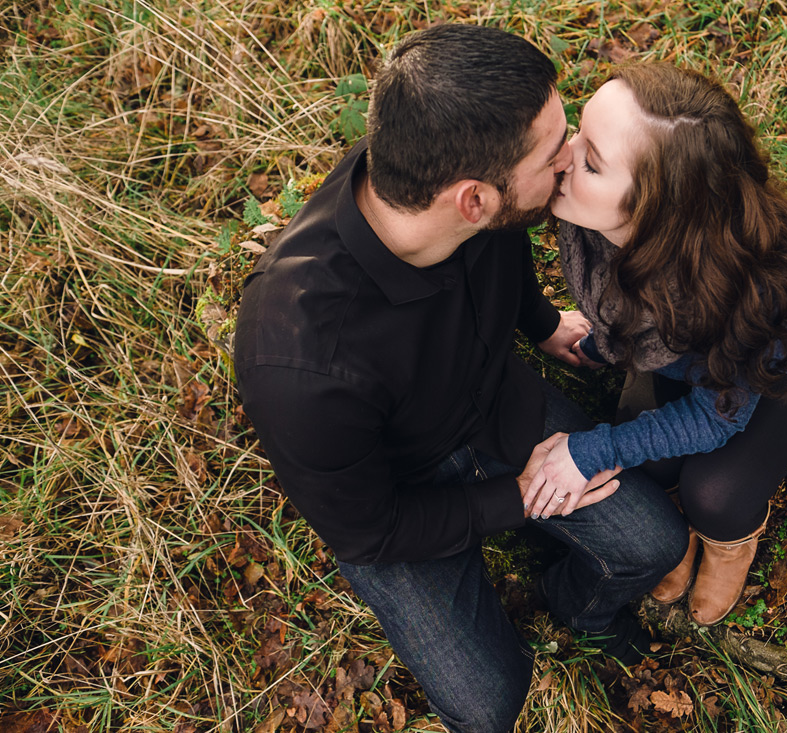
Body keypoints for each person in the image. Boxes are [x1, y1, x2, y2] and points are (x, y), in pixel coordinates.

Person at [232, 25, 687, 733]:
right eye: (554, 150)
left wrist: (539, 324)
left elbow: (504, 256)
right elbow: (370, 529)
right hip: (402, 502)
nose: (572, 159)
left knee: (654, 541)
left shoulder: (454, 181)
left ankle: (576, 604)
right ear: (472, 200)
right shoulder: (296, 361)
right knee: (489, 703)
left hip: (495, 406)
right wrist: (519, 498)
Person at [522, 63, 787, 626]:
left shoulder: (742, 293)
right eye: (578, 133)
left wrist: (591, 451)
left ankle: (731, 539)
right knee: (652, 473)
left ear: (657, 210)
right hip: (691, 361)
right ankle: (670, 525)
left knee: (714, 492)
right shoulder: (593, 218)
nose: (564, 156)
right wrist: (599, 343)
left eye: (592, 162)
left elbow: (717, 418)